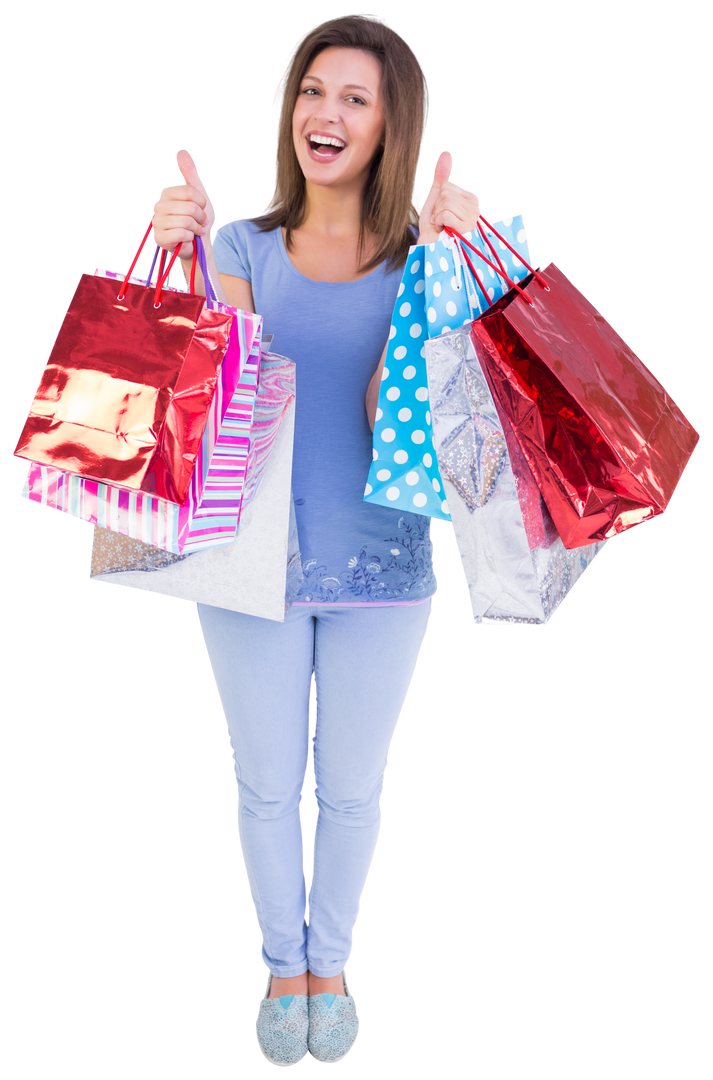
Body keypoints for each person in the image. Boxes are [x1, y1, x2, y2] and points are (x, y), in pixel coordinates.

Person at [150, 11, 483, 1066]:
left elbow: (438, 410)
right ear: (287, 107)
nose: (325, 114)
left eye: (354, 97)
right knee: (259, 786)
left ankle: (328, 968)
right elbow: (229, 387)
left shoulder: (413, 260)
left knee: (350, 788)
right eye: (312, 91)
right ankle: (277, 966)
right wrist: (194, 253)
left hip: (385, 571)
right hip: (247, 571)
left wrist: (450, 261)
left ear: (390, 125)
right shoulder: (242, 247)